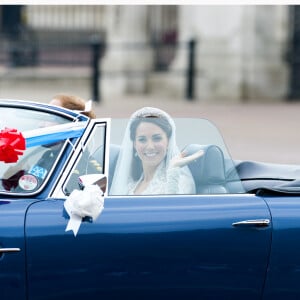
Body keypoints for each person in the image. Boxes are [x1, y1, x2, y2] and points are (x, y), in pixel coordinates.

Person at [109, 106, 204, 195]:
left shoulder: (180, 180)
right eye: (142, 139)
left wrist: (173, 171)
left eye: (157, 138)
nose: (150, 146)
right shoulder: (130, 185)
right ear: (134, 144)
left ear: (168, 142)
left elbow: (174, 210)